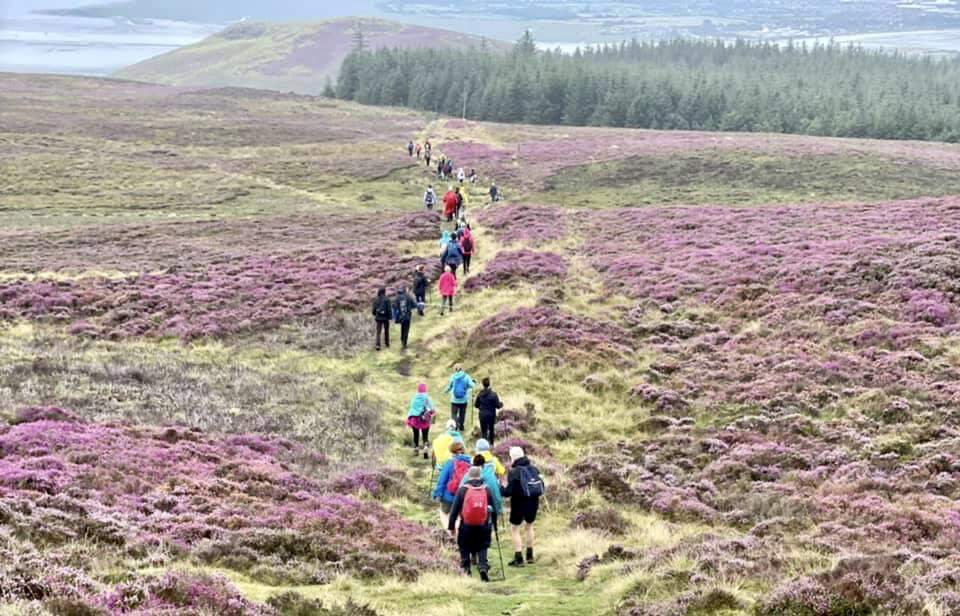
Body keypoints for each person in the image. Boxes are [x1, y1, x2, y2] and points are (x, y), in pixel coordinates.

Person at [449, 464, 498, 581]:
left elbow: (454, 511)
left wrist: (451, 527)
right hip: (483, 524)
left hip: (466, 525)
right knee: (482, 546)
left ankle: (466, 569)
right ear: (480, 476)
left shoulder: (462, 490)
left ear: (468, 476)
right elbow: (493, 509)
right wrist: (494, 526)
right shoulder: (487, 489)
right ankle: (483, 568)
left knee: (464, 546)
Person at [502, 447, 544, 567]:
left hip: (518, 504)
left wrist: (501, 488)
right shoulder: (534, 469)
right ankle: (530, 555)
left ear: (513, 458)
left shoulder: (514, 472)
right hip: (533, 502)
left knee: (515, 529)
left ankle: (518, 558)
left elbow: (509, 492)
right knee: (529, 526)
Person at [433, 440, 473, 527]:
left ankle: (450, 535)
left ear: (451, 451)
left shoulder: (449, 463)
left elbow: (442, 480)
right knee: (461, 519)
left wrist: (437, 494)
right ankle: (459, 536)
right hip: (464, 497)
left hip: (449, 498)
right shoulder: (470, 462)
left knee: (445, 515)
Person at [407, 383, 435, 459]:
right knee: (425, 435)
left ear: (418, 389)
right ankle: (425, 447)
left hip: (415, 419)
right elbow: (432, 408)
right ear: (425, 389)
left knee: (415, 435)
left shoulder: (414, 398)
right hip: (424, 419)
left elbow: (411, 407)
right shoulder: (427, 398)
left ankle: (416, 448)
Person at [445, 365, 476, 432]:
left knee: (454, 414)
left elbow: (449, 386)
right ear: (462, 369)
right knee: (462, 414)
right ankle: (461, 427)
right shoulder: (466, 376)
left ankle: (454, 427)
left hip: (454, 400)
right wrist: (473, 382)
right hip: (463, 400)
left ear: (455, 369)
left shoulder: (453, 376)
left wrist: (445, 391)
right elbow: (472, 385)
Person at [474, 378, 504, 445]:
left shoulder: (480, 394)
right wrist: (501, 404)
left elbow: (476, 405)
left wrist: (481, 408)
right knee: (491, 430)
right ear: (489, 384)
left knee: (483, 431)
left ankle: (484, 445)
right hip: (491, 415)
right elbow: (498, 406)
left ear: (482, 384)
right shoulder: (493, 394)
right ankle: (491, 444)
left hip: (482, 415)